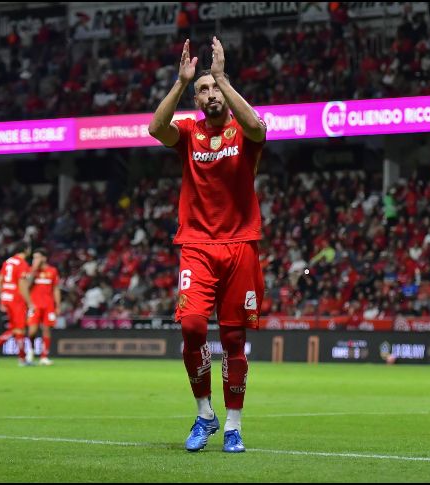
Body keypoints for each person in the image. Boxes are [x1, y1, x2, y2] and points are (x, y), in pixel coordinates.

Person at [149, 36, 267, 453]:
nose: (211, 94)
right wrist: (181, 82)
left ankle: (233, 425)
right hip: (197, 245)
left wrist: (221, 76)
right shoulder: (188, 132)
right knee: (193, 325)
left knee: (234, 341)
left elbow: (257, 127)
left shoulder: (244, 128)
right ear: (196, 100)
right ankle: (205, 415)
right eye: (204, 90)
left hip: (241, 245)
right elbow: (154, 128)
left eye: (214, 88)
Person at [0, 242, 33, 366]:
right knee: (20, 329)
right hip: (17, 299)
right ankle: (21, 360)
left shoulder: (8, 261)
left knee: (15, 328)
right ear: (26, 250)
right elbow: (22, 285)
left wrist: (2, 297)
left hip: (6, 297)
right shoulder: (22, 264)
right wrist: (30, 303)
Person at [26, 248, 60, 366]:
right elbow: (27, 286)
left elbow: (55, 289)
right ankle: (30, 351)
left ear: (44, 258)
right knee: (32, 331)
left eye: (37, 257)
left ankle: (44, 356)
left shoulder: (52, 271)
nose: (35, 260)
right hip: (34, 305)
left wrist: (57, 305)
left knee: (46, 329)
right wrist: (34, 271)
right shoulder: (31, 271)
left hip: (48, 305)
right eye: (34, 258)